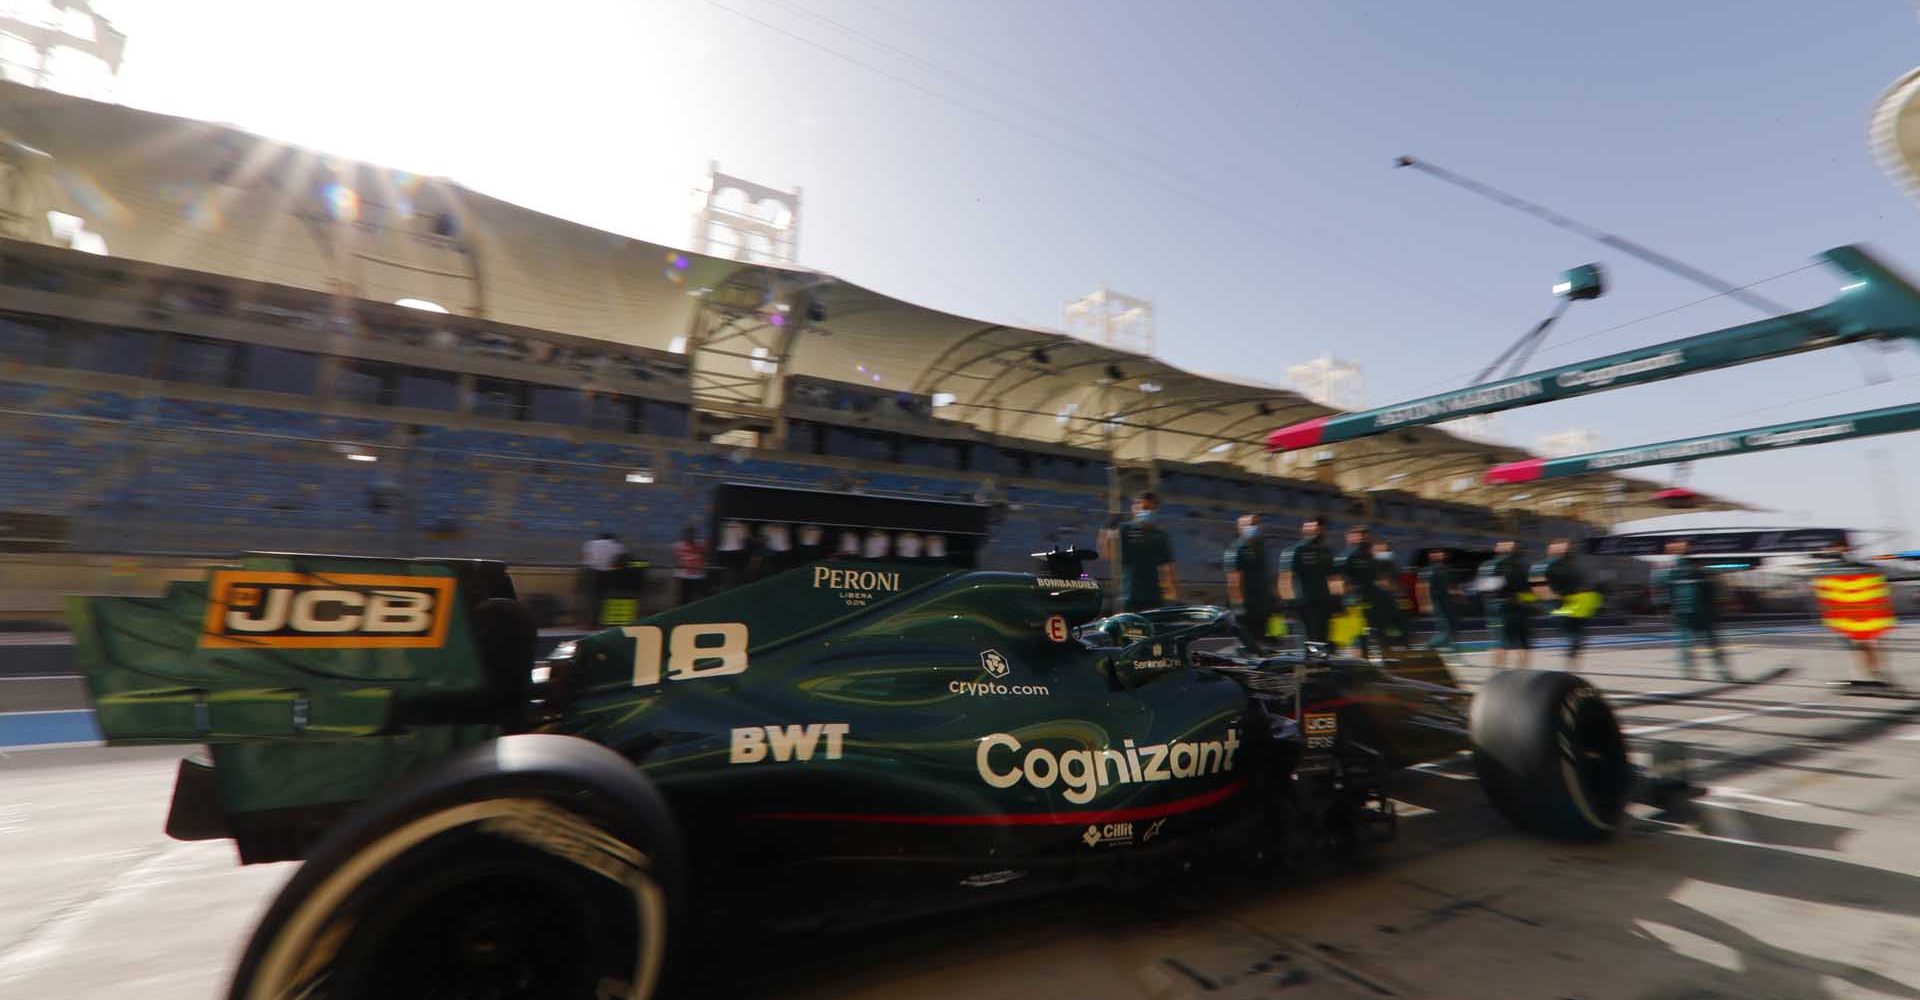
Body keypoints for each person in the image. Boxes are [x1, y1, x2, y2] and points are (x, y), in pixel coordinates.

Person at [1809, 540, 1899, 690]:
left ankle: (1877, 675)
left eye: (1836, 547)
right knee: (1859, 646)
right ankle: (1872, 675)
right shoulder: (1828, 564)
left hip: (1861, 613)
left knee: (1866, 645)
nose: (1833, 550)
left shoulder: (1852, 562)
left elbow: (1870, 574)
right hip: (1844, 614)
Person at [1653, 539, 1736, 681]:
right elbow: (1710, 591)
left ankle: (1689, 670)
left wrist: (1663, 608)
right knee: (1711, 643)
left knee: (1686, 643)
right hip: (1700, 613)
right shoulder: (1697, 570)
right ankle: (1721, 671)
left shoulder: (1668, 571)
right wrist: (1716, 610)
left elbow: (1660, 590)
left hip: (1683, 613)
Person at [1336, 525, 1403, 654]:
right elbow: (1338, 581)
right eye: (1358, 536)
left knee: (1381, 633)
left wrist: (1390, 588)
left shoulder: (1370, 556)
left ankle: (1387, 660)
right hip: (1354, 602)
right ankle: (1360, 665)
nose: (1362, 539)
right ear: (1349, 538)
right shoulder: (1345, 557)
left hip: (1373, 599)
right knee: (1357, 638)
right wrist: (1343, 603)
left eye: (1364, 536)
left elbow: (1379, 577)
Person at [1533, 538, 1592, 667]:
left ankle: (1572, 670)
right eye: (1562, 548)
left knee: (1578, 639)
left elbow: (1581, 586)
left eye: (1567, 549)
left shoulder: (1571, 566)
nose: (1565, 551)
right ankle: (1570, 670)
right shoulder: (1544, 565)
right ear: (1551, 549)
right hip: (1559, 606)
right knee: (1575, 638)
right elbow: (1538, 587)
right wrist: (1556, 600)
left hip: (1574, 606)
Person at [1115, 491, 1177, 612]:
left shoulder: (1160, 535)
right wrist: (1107, 530)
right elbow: (1108, 554)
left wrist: (1172, 589)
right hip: (1131, 595)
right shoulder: (1124, 530)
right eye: (1145, 508)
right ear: (1135, 508)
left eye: (1151, 509)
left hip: (1154, 596)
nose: (1147, 512)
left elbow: (1168, 565)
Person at [1223, 512, 1277, 648]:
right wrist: (1238, 605)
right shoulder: (1236, 549)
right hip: (1246, 605)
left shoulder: (1260, 548)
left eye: (1256, 524)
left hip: (1261, 603)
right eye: (1250, 524)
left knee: (1261, 642)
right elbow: (1233, 581)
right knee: (1245, 643)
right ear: (1239, 528)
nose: (1254, 527)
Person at [1477, 540, 1533, 669]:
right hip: (1516, 606)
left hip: (1500, 607)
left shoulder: (1489, 565)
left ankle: (1498, 672)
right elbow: (1527, 588)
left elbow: (1485, 589)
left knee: (1501, 642)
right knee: (1522, 643)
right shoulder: (1522, 565)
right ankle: (1521, 672)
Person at [1279, 516, 1334, 646]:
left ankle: (1323, 664)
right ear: (1304, 528)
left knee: (1323, 639)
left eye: (1321, 528)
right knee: (1309, 639)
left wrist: (1335, 599)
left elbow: (1332, 577)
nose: (1318, 531)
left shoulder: (1326, 551)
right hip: (1304, 604)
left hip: (1323, 602)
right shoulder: (1294, 551)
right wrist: (1289, 604)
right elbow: (1284, 579)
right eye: (1314, 527)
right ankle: (1310, 664)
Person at [1417, 548, 1462, 652]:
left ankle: (1454, 651)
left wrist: (1456, 592)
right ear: (1430, 556)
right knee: (1446, 629)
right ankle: (1428, 646)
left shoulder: (1444, 569)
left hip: (1448, 603)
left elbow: (1448, 585)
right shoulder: (1427, 570)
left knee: (1453, 626)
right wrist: (1425, 604)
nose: (1437, 555)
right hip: (1437, 602)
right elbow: (1422, 587)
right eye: (1434, 554)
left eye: (1439, 553)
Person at [579, 531, 627, 626]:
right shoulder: (618, 546)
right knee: (602, 599)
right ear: (612, 538)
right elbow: (621, 561)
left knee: (588, 598)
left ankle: (585, 622)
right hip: (606, 574)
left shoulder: (590, 543)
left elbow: (584, 557)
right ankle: (598, 622)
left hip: (590, 572)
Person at [672, 525, 709, 606]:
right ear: (685, 534)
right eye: (688, 533)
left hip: (697, 575)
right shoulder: (678, 545)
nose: (690, 536)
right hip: (683, 575)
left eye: (692, 533)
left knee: (696, 598)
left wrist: (703, 570)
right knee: (683, 598)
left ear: (695, 534)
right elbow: (676, 560)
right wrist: (676, 574)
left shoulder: (701, 545)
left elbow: (704, 558)